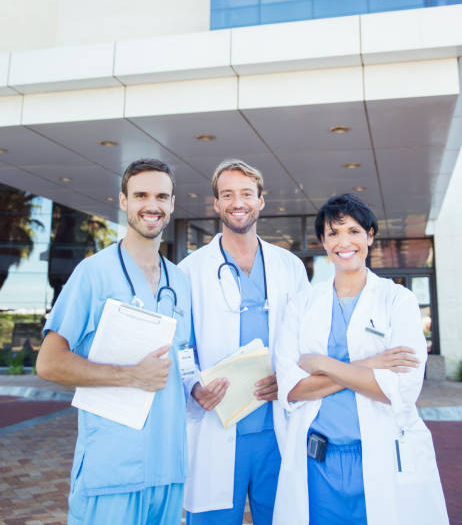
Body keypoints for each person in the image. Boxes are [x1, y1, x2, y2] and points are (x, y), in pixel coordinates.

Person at [274, 193, 449, 525]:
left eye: (354, 231)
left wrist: (324, 364)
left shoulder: (398, 300)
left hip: (383, 451)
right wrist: (370, 365)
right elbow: (292, 389)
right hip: (317, 462)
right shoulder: (302, 304)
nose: (344, 242)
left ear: (370, 236)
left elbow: (399, 389)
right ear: (323, 243)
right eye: (334, 233)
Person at [36, 158, 192, 525]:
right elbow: (48, 362)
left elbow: (183, 359)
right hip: (111, 470)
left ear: (171, 205)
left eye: (161, 196)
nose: (151, 205)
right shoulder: (93, 273)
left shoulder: (180, 281)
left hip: (168, 469)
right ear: (123, 201)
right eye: (140, 195)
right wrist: (131, 376)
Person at [178, 159, 310, 525]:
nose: (239, 202)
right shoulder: (190, 269)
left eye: (247, 194)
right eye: (228, 195)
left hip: (277, 425)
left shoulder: (290, 267)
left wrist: (291, 379)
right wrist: (192, 388)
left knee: (284, 517)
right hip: (217, 421)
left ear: (261, 201)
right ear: (216, 204)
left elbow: (307, 341)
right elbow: (180, 346)